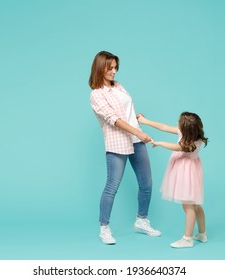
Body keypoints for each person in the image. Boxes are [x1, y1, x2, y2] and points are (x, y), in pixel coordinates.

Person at [89, 51, 161, 245]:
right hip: (118, 141)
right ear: (100, 68)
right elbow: (114, 119)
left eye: (115, 67)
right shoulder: (97, 94)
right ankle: (104, 227)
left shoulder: (118, 86)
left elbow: (124, 110)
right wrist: (137, 132)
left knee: (146, 184)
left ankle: (141, 220)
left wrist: (136, 118)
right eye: (110, 67)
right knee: (112, 186)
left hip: (135, 137)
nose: (114, 71)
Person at [137, 112, 208, 248]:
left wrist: (158, 143)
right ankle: (202, 234)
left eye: (179, 123)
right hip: (192, 171)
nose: (176, 124)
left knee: (188, 206)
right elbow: (164, 127)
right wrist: (145, 121)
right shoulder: (194, 136)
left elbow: (176, 147)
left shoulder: (190, 144)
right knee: (196, 205)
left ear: (186, 129)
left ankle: (187, 239)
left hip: (186, 173)